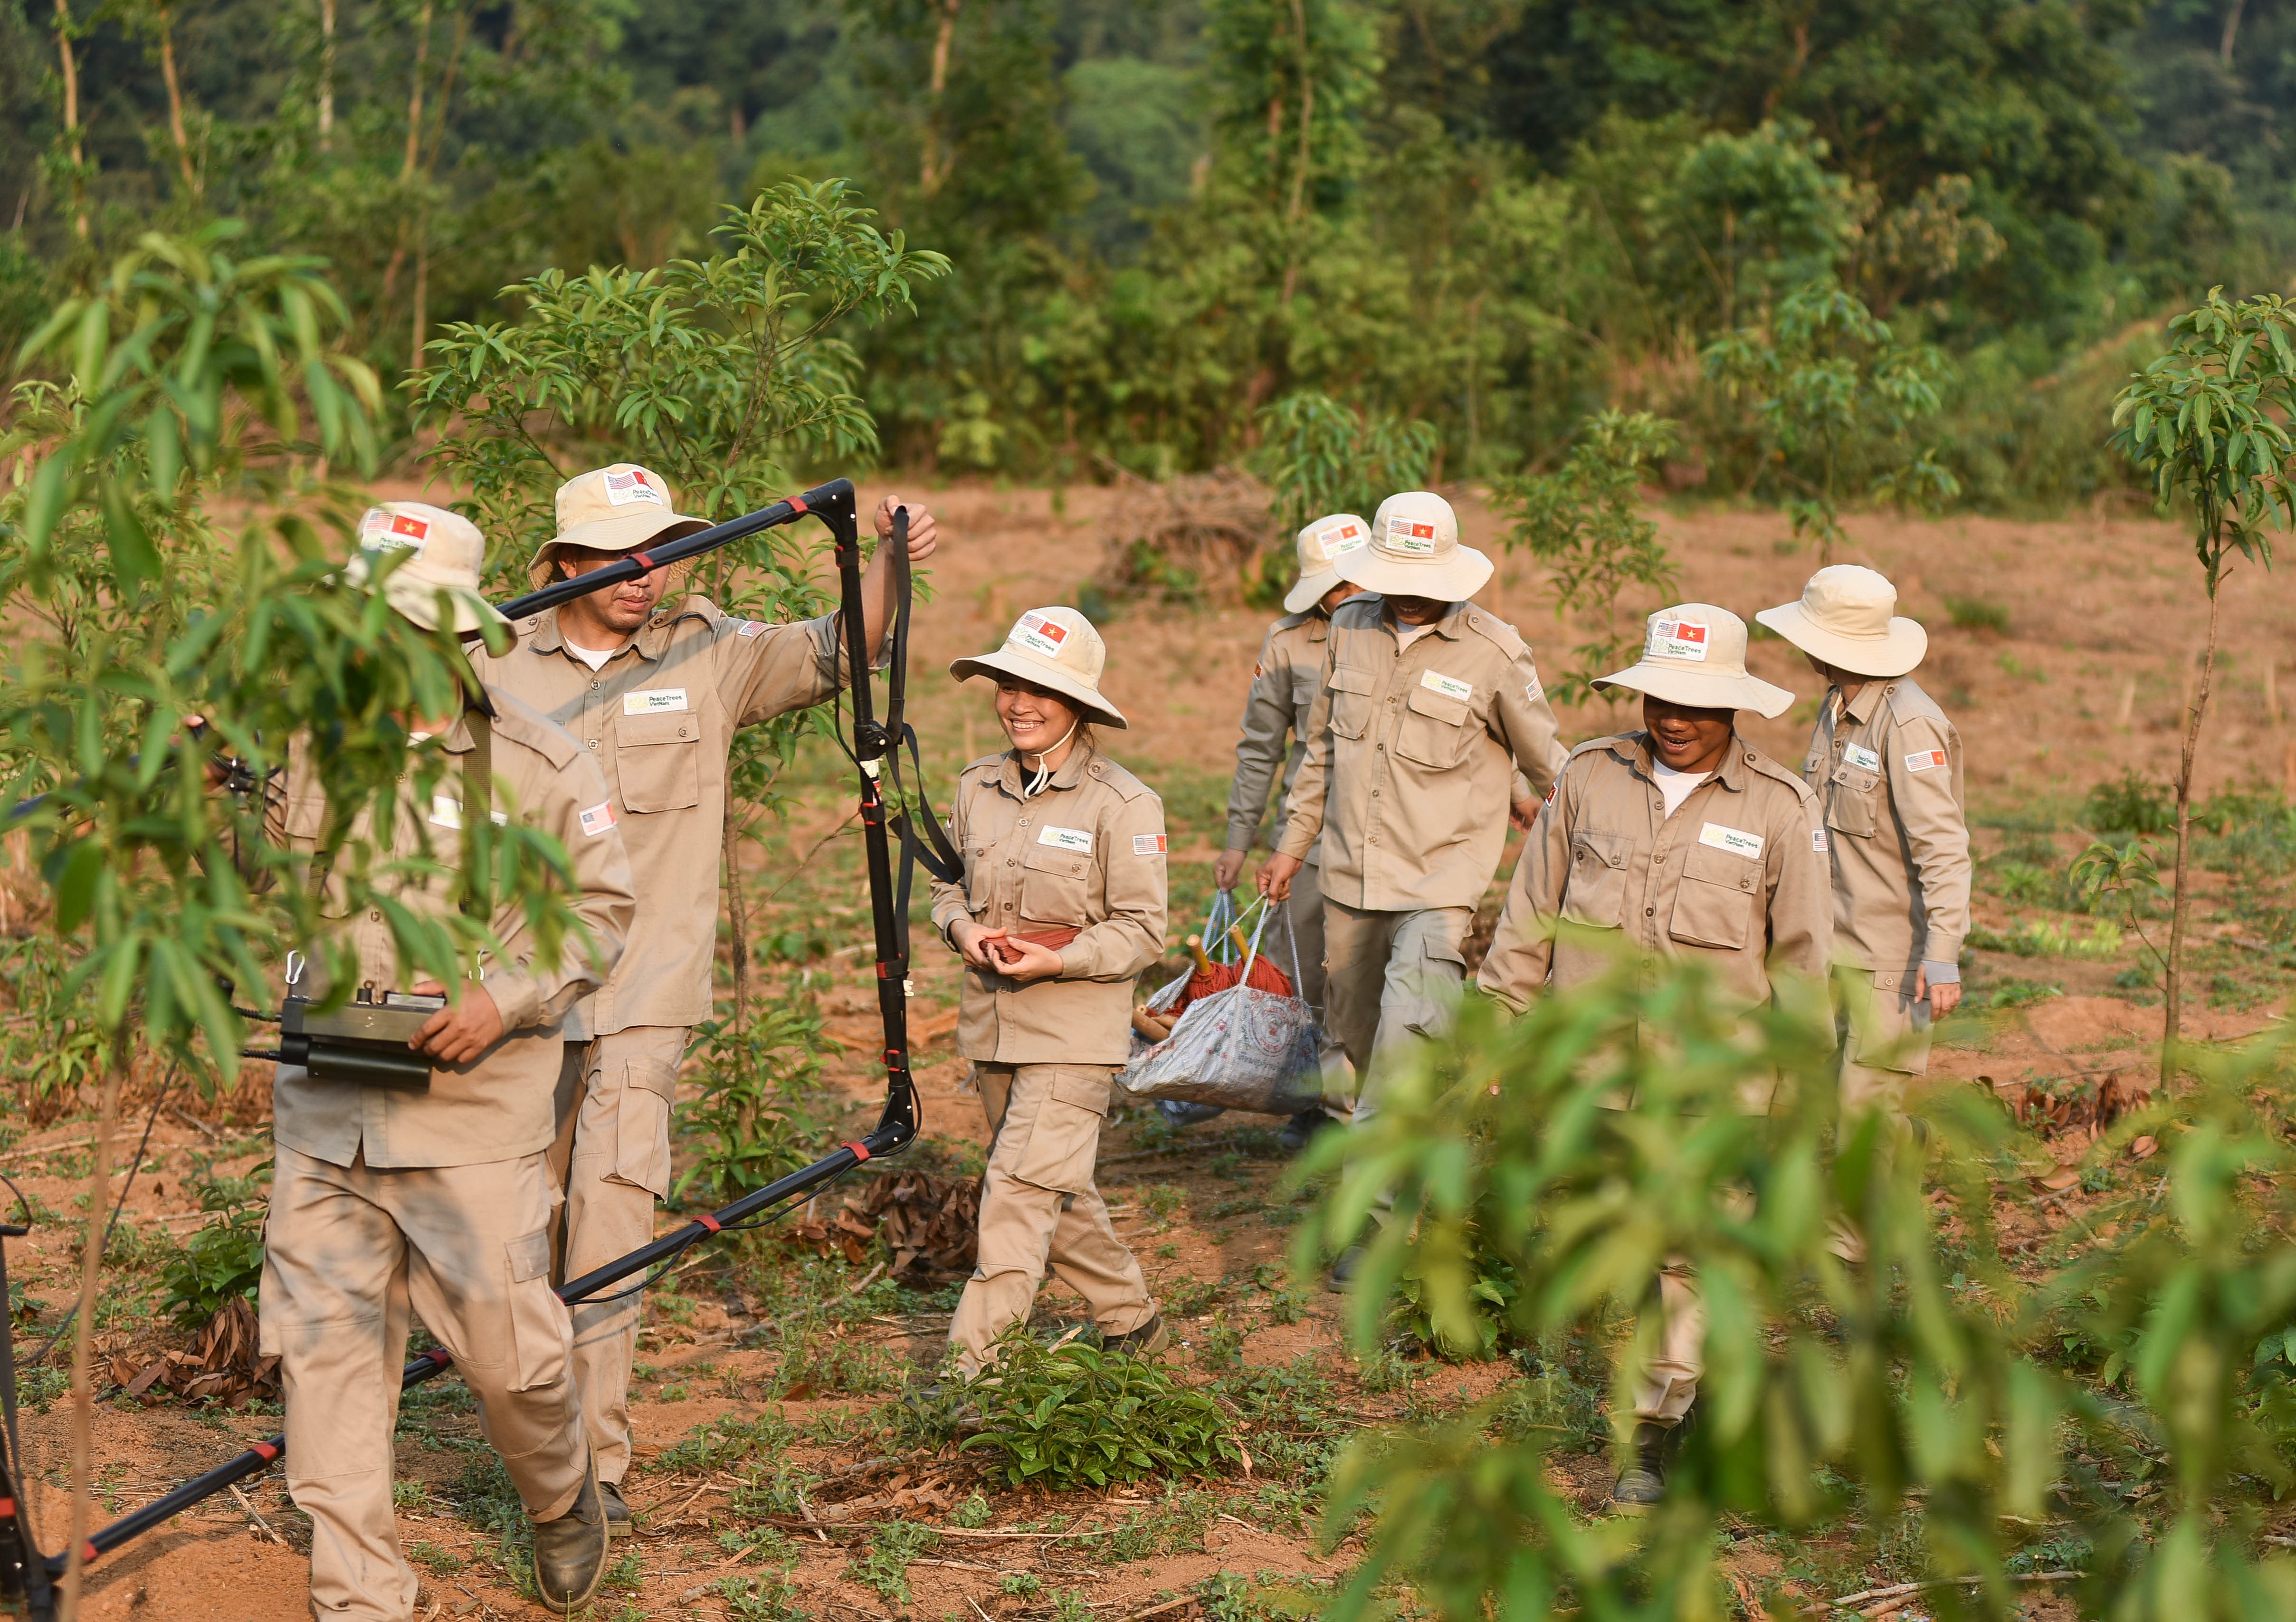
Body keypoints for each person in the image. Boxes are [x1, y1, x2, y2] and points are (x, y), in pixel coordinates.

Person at [467, 465, 938, 1529]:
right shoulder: (487, 658)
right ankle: (529, 1437)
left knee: (611, 1220)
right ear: (566, 561)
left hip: (644, 992)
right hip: (514, 997)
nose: (647, 574)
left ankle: (594, 1467)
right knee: (514, 1230)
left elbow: (841, 647)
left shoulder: (707, 649)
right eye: (621, 555)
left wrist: (886, 557)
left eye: (663, 550)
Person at [248, 503, 638, 1615]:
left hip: (471, 1118)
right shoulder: (304, 752)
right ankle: (361, 1596)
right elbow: (257, 891)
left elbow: (600, 913)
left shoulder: (543, 764)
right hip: (327, 1112)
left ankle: (561, 1496)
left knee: (514, 1363)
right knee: (325, 1360)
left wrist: (498, 999)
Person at [1476, 603, 1831, 1509]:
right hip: (1593, 1074)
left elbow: (1801, 964)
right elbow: (1529, 914)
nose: (1673, 719)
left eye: (1695, 705)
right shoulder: (1588, 778)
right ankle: (1695, 1387)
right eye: (1659, 699)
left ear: (1733, 709)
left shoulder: (1778, 808)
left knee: (1682, 1254)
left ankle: (1650, 1434)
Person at [1257, 491, 1566, 1225]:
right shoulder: (1350, 627)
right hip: (1350, 879)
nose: (1408, 592)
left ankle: (1374, 1223)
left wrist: (1591, 854)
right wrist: (1293, 843)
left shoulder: (1494, 651)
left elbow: (1552, 766)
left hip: (1439, 884)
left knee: (1404, 1046)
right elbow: (1320, 750)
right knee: (1358, 1041)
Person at [929, 608, 1168, 1376]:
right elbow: (946, 884)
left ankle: (973, 1373)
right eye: (1008, 685)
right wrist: (962, 928)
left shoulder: (1122, 804)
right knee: (1052, 1181)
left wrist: (1057, 961)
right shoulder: (976, 786)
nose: (1018, 703)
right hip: (994, 1027)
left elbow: (1142, 931)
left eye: (1040, 690)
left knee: (1017, 1192)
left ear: (1078, 703)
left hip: (1074, 1034)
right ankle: (1130, 1317)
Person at [1755, 566, 1970, 1112]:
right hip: (1830, 946)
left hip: (1888, 963)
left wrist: (1943, 955)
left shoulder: (1907, 724)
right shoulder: (1838, 709)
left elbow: (1943, 848)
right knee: (1801, 1099)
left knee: (1867, 1115)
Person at [1213, 514, 1371, 1147]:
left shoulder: (1410, 633)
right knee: (1303, 970)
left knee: (1366, 974)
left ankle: (1364, 1108)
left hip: (1390, 835)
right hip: (1307, 838)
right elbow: (1260, 748)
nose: (1350, 597)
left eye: (1357, 582)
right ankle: (1314, 1100)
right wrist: (1238, 840)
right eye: (1336, 589)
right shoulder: (1287, 643)